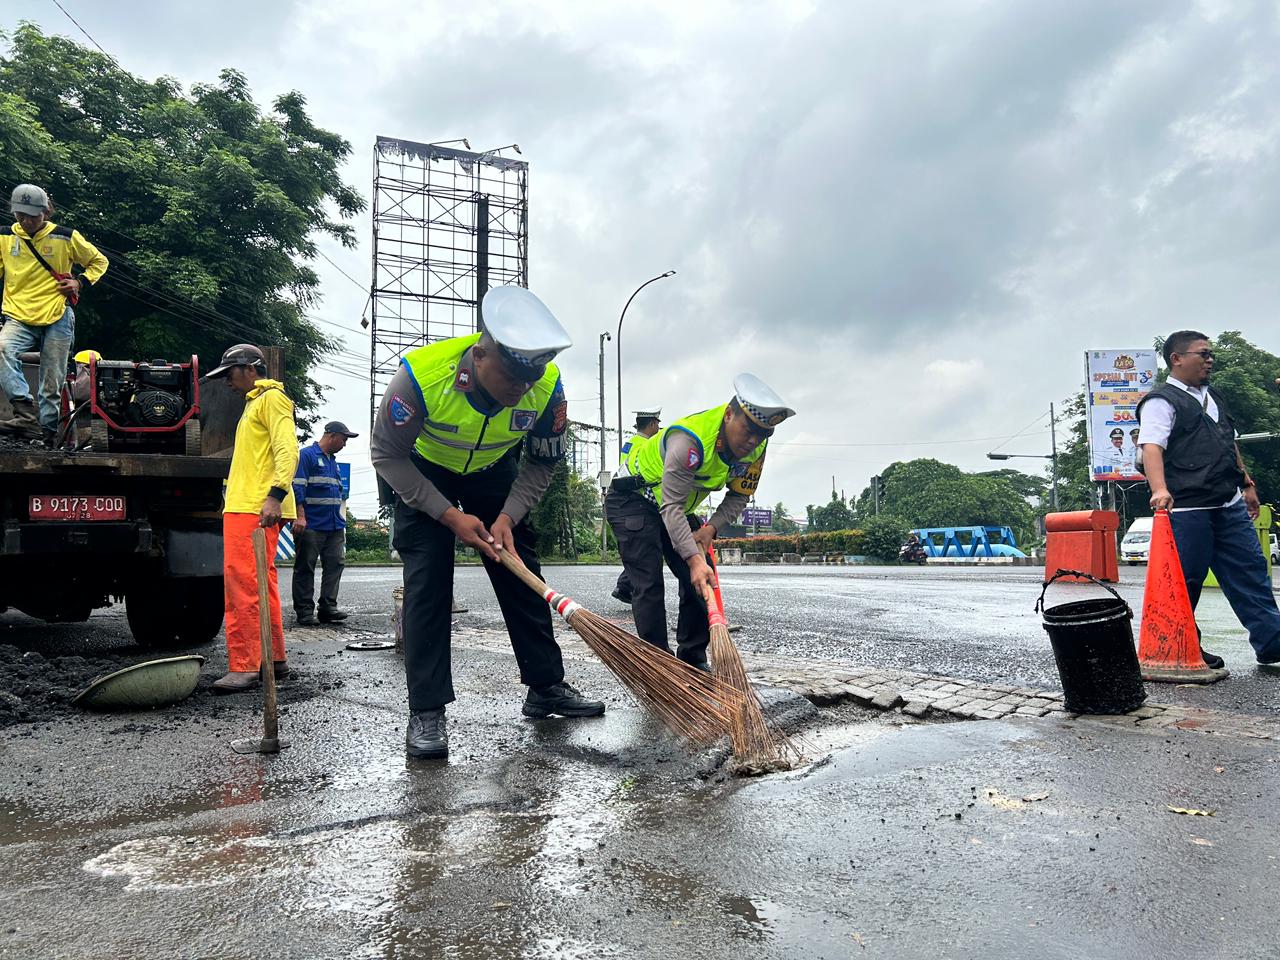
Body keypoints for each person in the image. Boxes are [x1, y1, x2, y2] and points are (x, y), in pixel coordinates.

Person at [371, 286, 605, 760]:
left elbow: (542, 463)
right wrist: (448, 515)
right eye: (511, 379)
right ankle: (427, 711)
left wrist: (508, 516)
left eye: (528, 381)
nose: (520, 391)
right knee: (428, 580)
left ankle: (545, 687)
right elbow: (387, 455)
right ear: (479, 356)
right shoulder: (419, 378)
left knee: (521, 571)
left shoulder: (547, 387)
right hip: (424, 471)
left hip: (493, 470)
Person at [606, 375, 795, 669]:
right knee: (649, 581)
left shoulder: (757, 448)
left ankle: (693, 659)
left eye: (761, 435)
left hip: (676, 505)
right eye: (748, 431)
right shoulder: (689, 441)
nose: (752, 441)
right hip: (633, 499)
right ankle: (661, 668)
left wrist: (710, 529)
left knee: (702, 579)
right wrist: (693, 559)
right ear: (729, 415)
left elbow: (740, 495)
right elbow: (671, 508)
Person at [1137, 330, 1280, 670]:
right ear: (1177, 359)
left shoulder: (1213, 396)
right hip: (1187, 507)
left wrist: (1246, 483)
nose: (1210, 360)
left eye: (1211, 354)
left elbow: (1229, 442)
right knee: (1185, 581)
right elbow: (1151, 447)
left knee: (1250, 573)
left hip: (1227, 502)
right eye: (1203, 354)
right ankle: (1184, 647)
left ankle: (1272, 643)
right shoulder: (1161, 401)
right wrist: (1159, 489)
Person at [205, 344, 300, 694]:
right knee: (262, 583)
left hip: (253, 506)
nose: (226, 381)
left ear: (249, 368)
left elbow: (288, 449)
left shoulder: (272, 399)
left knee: (242, 585)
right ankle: (272, 658)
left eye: (229, 373)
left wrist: (275, 494)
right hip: (251, 504)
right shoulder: (255, 403)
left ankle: (245, 665)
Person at [0, 184, 108, 443]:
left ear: (45, 212)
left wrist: (79, 282)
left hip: (57, 314)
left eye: (32, 215)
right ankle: (25, 413)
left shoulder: (65, 237)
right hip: (18, 313)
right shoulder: (4, 237)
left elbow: (99, 261)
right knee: (2, 349)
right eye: (20, 215)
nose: (26, 221)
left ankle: (46, 435)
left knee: (52, 379)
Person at [292, 420, 358, 626]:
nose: (345, 444)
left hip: (334, 525)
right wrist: (300, 516)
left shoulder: (332, 462)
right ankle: (304, 611)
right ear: (332, 436)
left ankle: (328, 607)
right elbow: (297, 487)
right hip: (311, 524)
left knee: (335, 564)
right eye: (343, 439)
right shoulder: (307, 456)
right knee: (305, 567)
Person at [611, 408, 662, 604]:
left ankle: (625, 586)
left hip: (627, 499)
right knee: (646, 550)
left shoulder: (630, 442)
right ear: (652, 424)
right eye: (657, 425)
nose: (658, 429)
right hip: (639, 500)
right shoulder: (645, 445)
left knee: (642, 549)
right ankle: (625, 586)